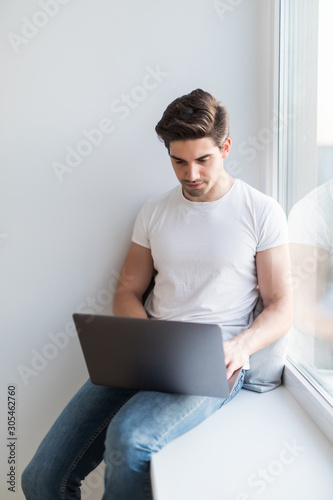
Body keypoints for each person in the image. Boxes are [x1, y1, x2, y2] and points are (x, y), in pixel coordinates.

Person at [21, 89, 293, 500]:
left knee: (129, 441)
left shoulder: (260, 211)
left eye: (203, 160)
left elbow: (281, 305)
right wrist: (144, 341)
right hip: (145, 353)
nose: (191, 175)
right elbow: (127, 290)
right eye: (178, 161)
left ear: (226, 148)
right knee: (41, 479)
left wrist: (240, 347)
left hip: (213, 362)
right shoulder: (155, 211)